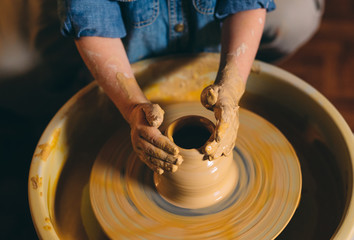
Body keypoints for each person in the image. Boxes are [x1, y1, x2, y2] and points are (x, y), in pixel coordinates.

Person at [57, 0, 323, 175]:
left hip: (208, 20)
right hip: (131, 33)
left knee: (295, 16)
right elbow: (89, 14)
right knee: (25, 65)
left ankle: (236, 57)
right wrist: (132, 106)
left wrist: (231, 85)